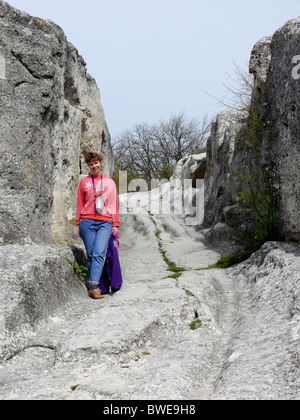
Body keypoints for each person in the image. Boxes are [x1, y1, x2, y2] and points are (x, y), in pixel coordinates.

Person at [76, 152, 119, 299]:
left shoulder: (110, 182)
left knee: (99, 253)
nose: (94, 166)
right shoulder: (84, 182)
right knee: (91, 255)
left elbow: (113, 204)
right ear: (88, 166)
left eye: (96, 163)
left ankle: (93, 288)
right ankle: (96, 284)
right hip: (86, 221)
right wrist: (78, 223)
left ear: (101, 163)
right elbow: (80, 203)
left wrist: (115, 224)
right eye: (91, 164)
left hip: (105, 221)